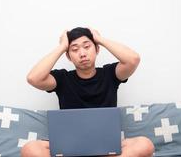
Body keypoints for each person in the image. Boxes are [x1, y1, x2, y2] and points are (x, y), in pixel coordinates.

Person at [21, 27, 154, 157]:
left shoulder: (110, 74)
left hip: (106, 146)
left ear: (96, 49)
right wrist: (62, 47)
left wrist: (99, 39)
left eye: (87, 46)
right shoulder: (62, 79)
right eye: (74, 49)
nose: (82, 53)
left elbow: (133, 59)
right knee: (30, 149)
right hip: (69, 147)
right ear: (68, 56)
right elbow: (33, 78)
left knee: (145, 144)